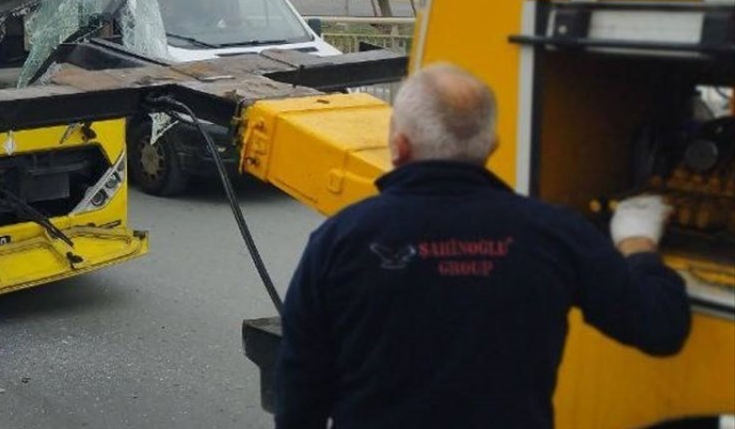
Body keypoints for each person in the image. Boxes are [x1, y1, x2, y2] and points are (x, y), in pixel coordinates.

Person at [274, 63, 691, 429]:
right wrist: (637, 241)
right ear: (491, 146)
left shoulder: (341, 240)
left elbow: (300, 387)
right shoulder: (554, 234)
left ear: (398, 146)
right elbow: (661, 327)